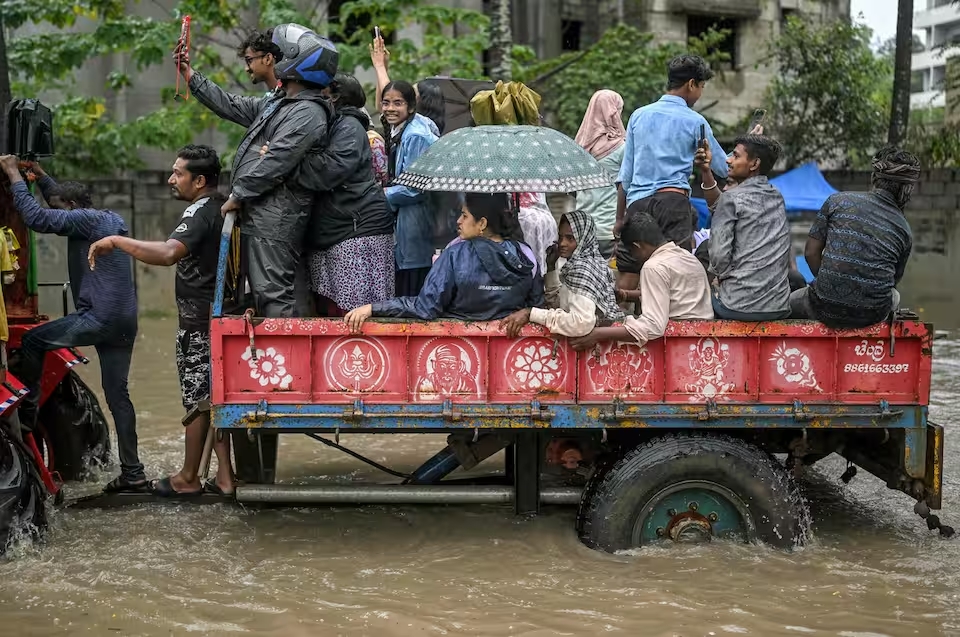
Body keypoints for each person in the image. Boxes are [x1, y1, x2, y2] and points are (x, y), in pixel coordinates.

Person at [87, 145, 238, 497]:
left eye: (178, 174)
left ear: (199, 181)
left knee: (197, 402)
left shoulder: (200, 212)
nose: (171, 180)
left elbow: (169, 253)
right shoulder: (222, 206)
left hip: (198, 324)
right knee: (214, 399)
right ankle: (226, 477)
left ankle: (188, 477)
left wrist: (117, 240)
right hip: (218, 318)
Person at [0, 156, 145, 493]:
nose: (58, 213)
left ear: (73, 207)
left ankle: (28, 414)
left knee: (35, 341)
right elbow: (57, 201)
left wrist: (11, 174)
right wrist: (42, 177)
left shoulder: (82, 220)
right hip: (125, 320)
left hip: (98, 317)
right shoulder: (105, 218)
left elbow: (36, 217)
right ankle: (133, 472)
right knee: (118, 396)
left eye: (61, 208)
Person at [176, 23, 338, 317]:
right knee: (269, 292)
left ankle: (287, 359)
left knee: (274, 293)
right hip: (265, 214)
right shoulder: (282, 103)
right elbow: (231, 105)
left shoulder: (307, 111)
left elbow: (277, 159)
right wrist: (190, 76)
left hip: (277, 219)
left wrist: (239, 194)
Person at [344, 192, 544, 329]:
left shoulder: (454, 255)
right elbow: (537, 308)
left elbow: (425, 307)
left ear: (482, 223)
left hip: (457, 350)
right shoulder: (526, 255)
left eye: (464, 215)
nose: (458, 221)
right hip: (512, 356)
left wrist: (373, 308)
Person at [615, 54, 729, 293]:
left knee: (629, 272)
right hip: (673, 204)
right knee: (674, 275)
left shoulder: (639, 115)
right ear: (691, 84)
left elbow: (625, 176)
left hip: (637, 204)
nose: (700, 93)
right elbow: (723, 167)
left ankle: (621, 324)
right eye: (701, 87)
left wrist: (619, 218)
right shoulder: (695, 121)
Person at [790, 146, 917, 328]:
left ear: (874, 178)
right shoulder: (904, 229)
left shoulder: (837, 201)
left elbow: (810, 253)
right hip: (872, 315)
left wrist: (830, 286)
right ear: (908, 190)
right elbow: (893, 281)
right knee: (895, 296)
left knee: (783, 304)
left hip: (821, 306)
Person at [303, 74, 396, 315]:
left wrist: (290, 161)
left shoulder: (349, 127)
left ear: (334, 97)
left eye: (320, 93)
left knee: (356, 315)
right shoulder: (337, 125)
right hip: (345, 227)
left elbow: (331, 170)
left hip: (358, 229)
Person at [568, 211, 713, 352]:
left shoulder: (653, 267)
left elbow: (652, 326)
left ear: (637, 246)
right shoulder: (686, 257)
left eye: (632, 252)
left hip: (680, 344)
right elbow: (671, 296)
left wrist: (598, 334)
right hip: (706, 339)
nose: (634, 257)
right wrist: (625, 295)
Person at [707, 135, 791, 321]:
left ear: (754, 164)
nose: (728, 160)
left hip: (737, 306)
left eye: (736, 156)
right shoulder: (777, 196)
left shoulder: (730, 198)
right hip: (777, 306)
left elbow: (719, 257)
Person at [501, 210, 622, 338]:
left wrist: (531, 313)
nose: (562, 244)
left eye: (570, 238)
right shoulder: (589, 263)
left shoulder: (583, 269)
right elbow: (560, 304)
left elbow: (580, 323)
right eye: (560, 237)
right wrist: (551, 267)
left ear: (584, 239)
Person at [381, 80, 441, 296]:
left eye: (397, 103)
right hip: (409, 219)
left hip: (417, 220)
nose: (390, 109)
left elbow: (414, 188)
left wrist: (381, 195)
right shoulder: (404, 129)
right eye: (386, 103)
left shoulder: (415, 135)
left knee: (412, 286)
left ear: (411, 106)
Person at [574, 90, 627, 259]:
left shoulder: (578, 148)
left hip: (581, 229)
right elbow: (627, 186)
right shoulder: (621, 148)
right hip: (610, 230)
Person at [237, 28, 282, 95]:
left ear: (268, 59)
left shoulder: (291, 98)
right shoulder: (270, 98)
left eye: (249, 60)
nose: (246, 68)